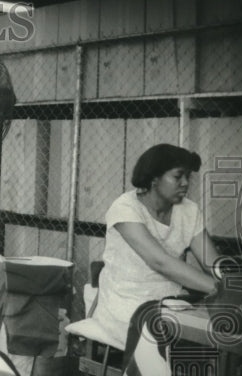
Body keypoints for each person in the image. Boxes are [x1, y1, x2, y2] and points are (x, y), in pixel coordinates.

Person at [94, 143, 219, 348]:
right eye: (178, 177)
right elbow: (160, 262)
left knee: (215, 328)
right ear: (154, 179)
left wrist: (237, 284)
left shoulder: (189, 210)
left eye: (188, 177)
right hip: (126, 300)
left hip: (170, 297)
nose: (186, 183)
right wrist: (219, 288)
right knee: (175, 335)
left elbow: (212, 262)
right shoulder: (125, 207)